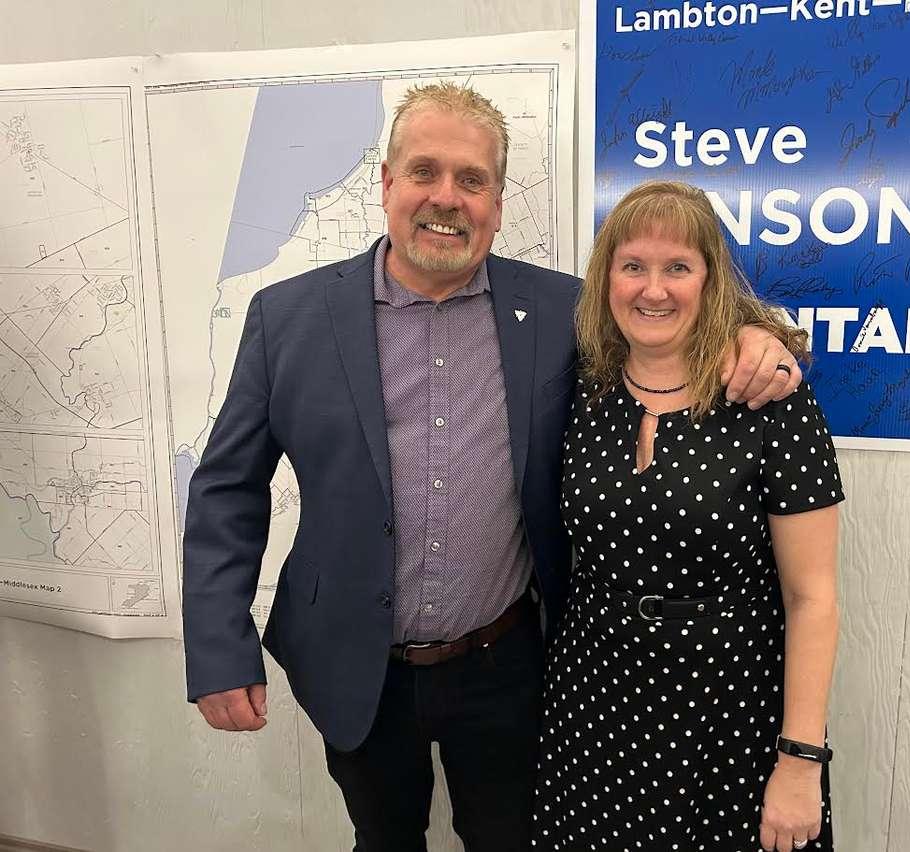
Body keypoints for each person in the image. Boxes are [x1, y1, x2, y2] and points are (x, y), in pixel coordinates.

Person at [181, 84, 803, 852]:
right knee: (381, 838)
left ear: (498, 202)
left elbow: (667, 313)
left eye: (472, 180)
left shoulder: (561, 313)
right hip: (353, 661)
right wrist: (218, 645)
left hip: (510, 665)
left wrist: (754, 338)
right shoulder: (289, 318)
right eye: (424, 172)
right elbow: (226, 490)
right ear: (386, 183)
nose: (447, 198)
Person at [532, 180, 843, 852]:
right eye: (633, 266)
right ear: (606, 278)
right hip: (592, 710)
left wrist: (800, 761)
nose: (654, 289)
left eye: (678, 267)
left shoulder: (770, 401)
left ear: (711, 280)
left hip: (729, 720)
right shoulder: (580, 390)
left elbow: (811, 598)